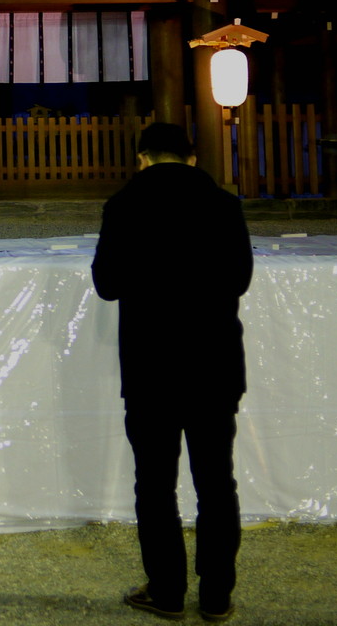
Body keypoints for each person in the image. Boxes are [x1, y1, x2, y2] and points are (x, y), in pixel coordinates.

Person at [93, 122, 253, 622]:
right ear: (191, 158)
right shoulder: (225, 205)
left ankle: (166, 591)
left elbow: (107, 285)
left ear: (141, 158)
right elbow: (240, 278)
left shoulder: (123, 205)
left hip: (151, 365)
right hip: (213, 363)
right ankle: (215, 595)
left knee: (155, 484)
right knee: (216, 481)